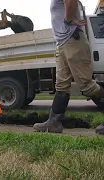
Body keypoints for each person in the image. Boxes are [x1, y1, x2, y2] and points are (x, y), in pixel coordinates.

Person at [33, 0, 104, 134]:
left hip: (73, 40)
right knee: (61, 85)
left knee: (87, 85)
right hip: (62, 43)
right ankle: (54, 122)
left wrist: (68, 19)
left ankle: (54, 121)